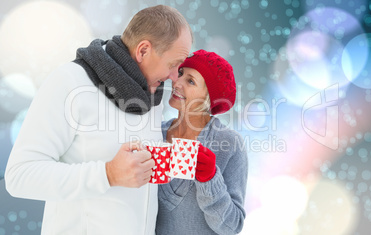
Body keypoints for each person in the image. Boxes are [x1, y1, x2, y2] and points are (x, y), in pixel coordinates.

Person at [5, 5, 192, 235]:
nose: (175, 77)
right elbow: (19, 176)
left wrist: (185, 160)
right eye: (173, 65)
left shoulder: (151, 94)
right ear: (143, 51)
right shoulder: (69, 83)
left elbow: (135, 171)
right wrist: (107, 174)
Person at [156, 50, 248, 234]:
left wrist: (210, 179)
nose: (177, 82)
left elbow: (231, 227)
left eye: (190, 81)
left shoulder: (229, 144)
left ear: (209, 98)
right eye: (180, 73)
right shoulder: (156, 133)